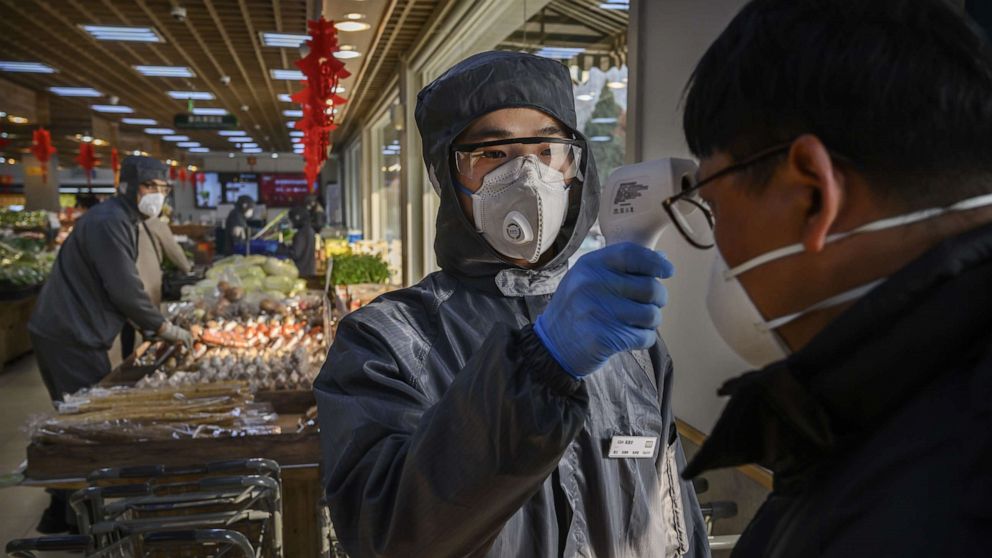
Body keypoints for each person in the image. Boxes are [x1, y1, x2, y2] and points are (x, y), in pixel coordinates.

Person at [314, 51, 707, 558]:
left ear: (575, 164)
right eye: (492, 154)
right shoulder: (384, 343)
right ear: (445, 176)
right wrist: (541, 365)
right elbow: (387, 532)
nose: (528, 176)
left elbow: (676, 514)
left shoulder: (631, 346)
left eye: (547, 150)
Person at [672, 1, 992, 556]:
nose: (717, 244)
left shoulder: (933, 494)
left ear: (813, 192)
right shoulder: (883, 417)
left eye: (714, 205)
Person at [27, 155, 193, 533]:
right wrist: (163, 327)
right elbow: (123, 288)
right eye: (153, 188)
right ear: (132, 188)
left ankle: (65, 508)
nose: (158, 195)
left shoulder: (123, 218)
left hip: (74, 330)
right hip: (70, 333)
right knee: (89, 424)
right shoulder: (108, 222)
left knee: (79, 418)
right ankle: (73, 517)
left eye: (163, 189)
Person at [120, 214, 193, 359]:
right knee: (151, 326)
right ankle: (149, 361)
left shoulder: (122, 222)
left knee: (127, 325)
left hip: (126, 281)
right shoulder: (155, 224)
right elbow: (174, 252)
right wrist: (187, 268)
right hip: (147, 282)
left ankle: (128, 362)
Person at [287, 205, 315, 277]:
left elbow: (296, 253)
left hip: (301, 271)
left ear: (297, 218)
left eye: (291, 220)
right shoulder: (310, 230)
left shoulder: (301, 234)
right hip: (310, 270)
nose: (291, 223)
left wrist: (282, 249)